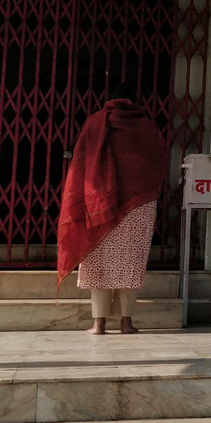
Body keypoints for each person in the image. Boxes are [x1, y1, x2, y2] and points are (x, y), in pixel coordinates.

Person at [58, 84, 166, 334]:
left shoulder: (96, 122)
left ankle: (99, 324)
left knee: (98, 262)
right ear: (134, 100)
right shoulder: (146, 126)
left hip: (101, 202)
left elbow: (82, 160)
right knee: (130, 263)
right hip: (139, 205)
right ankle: (127, 323)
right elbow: (157, 161)